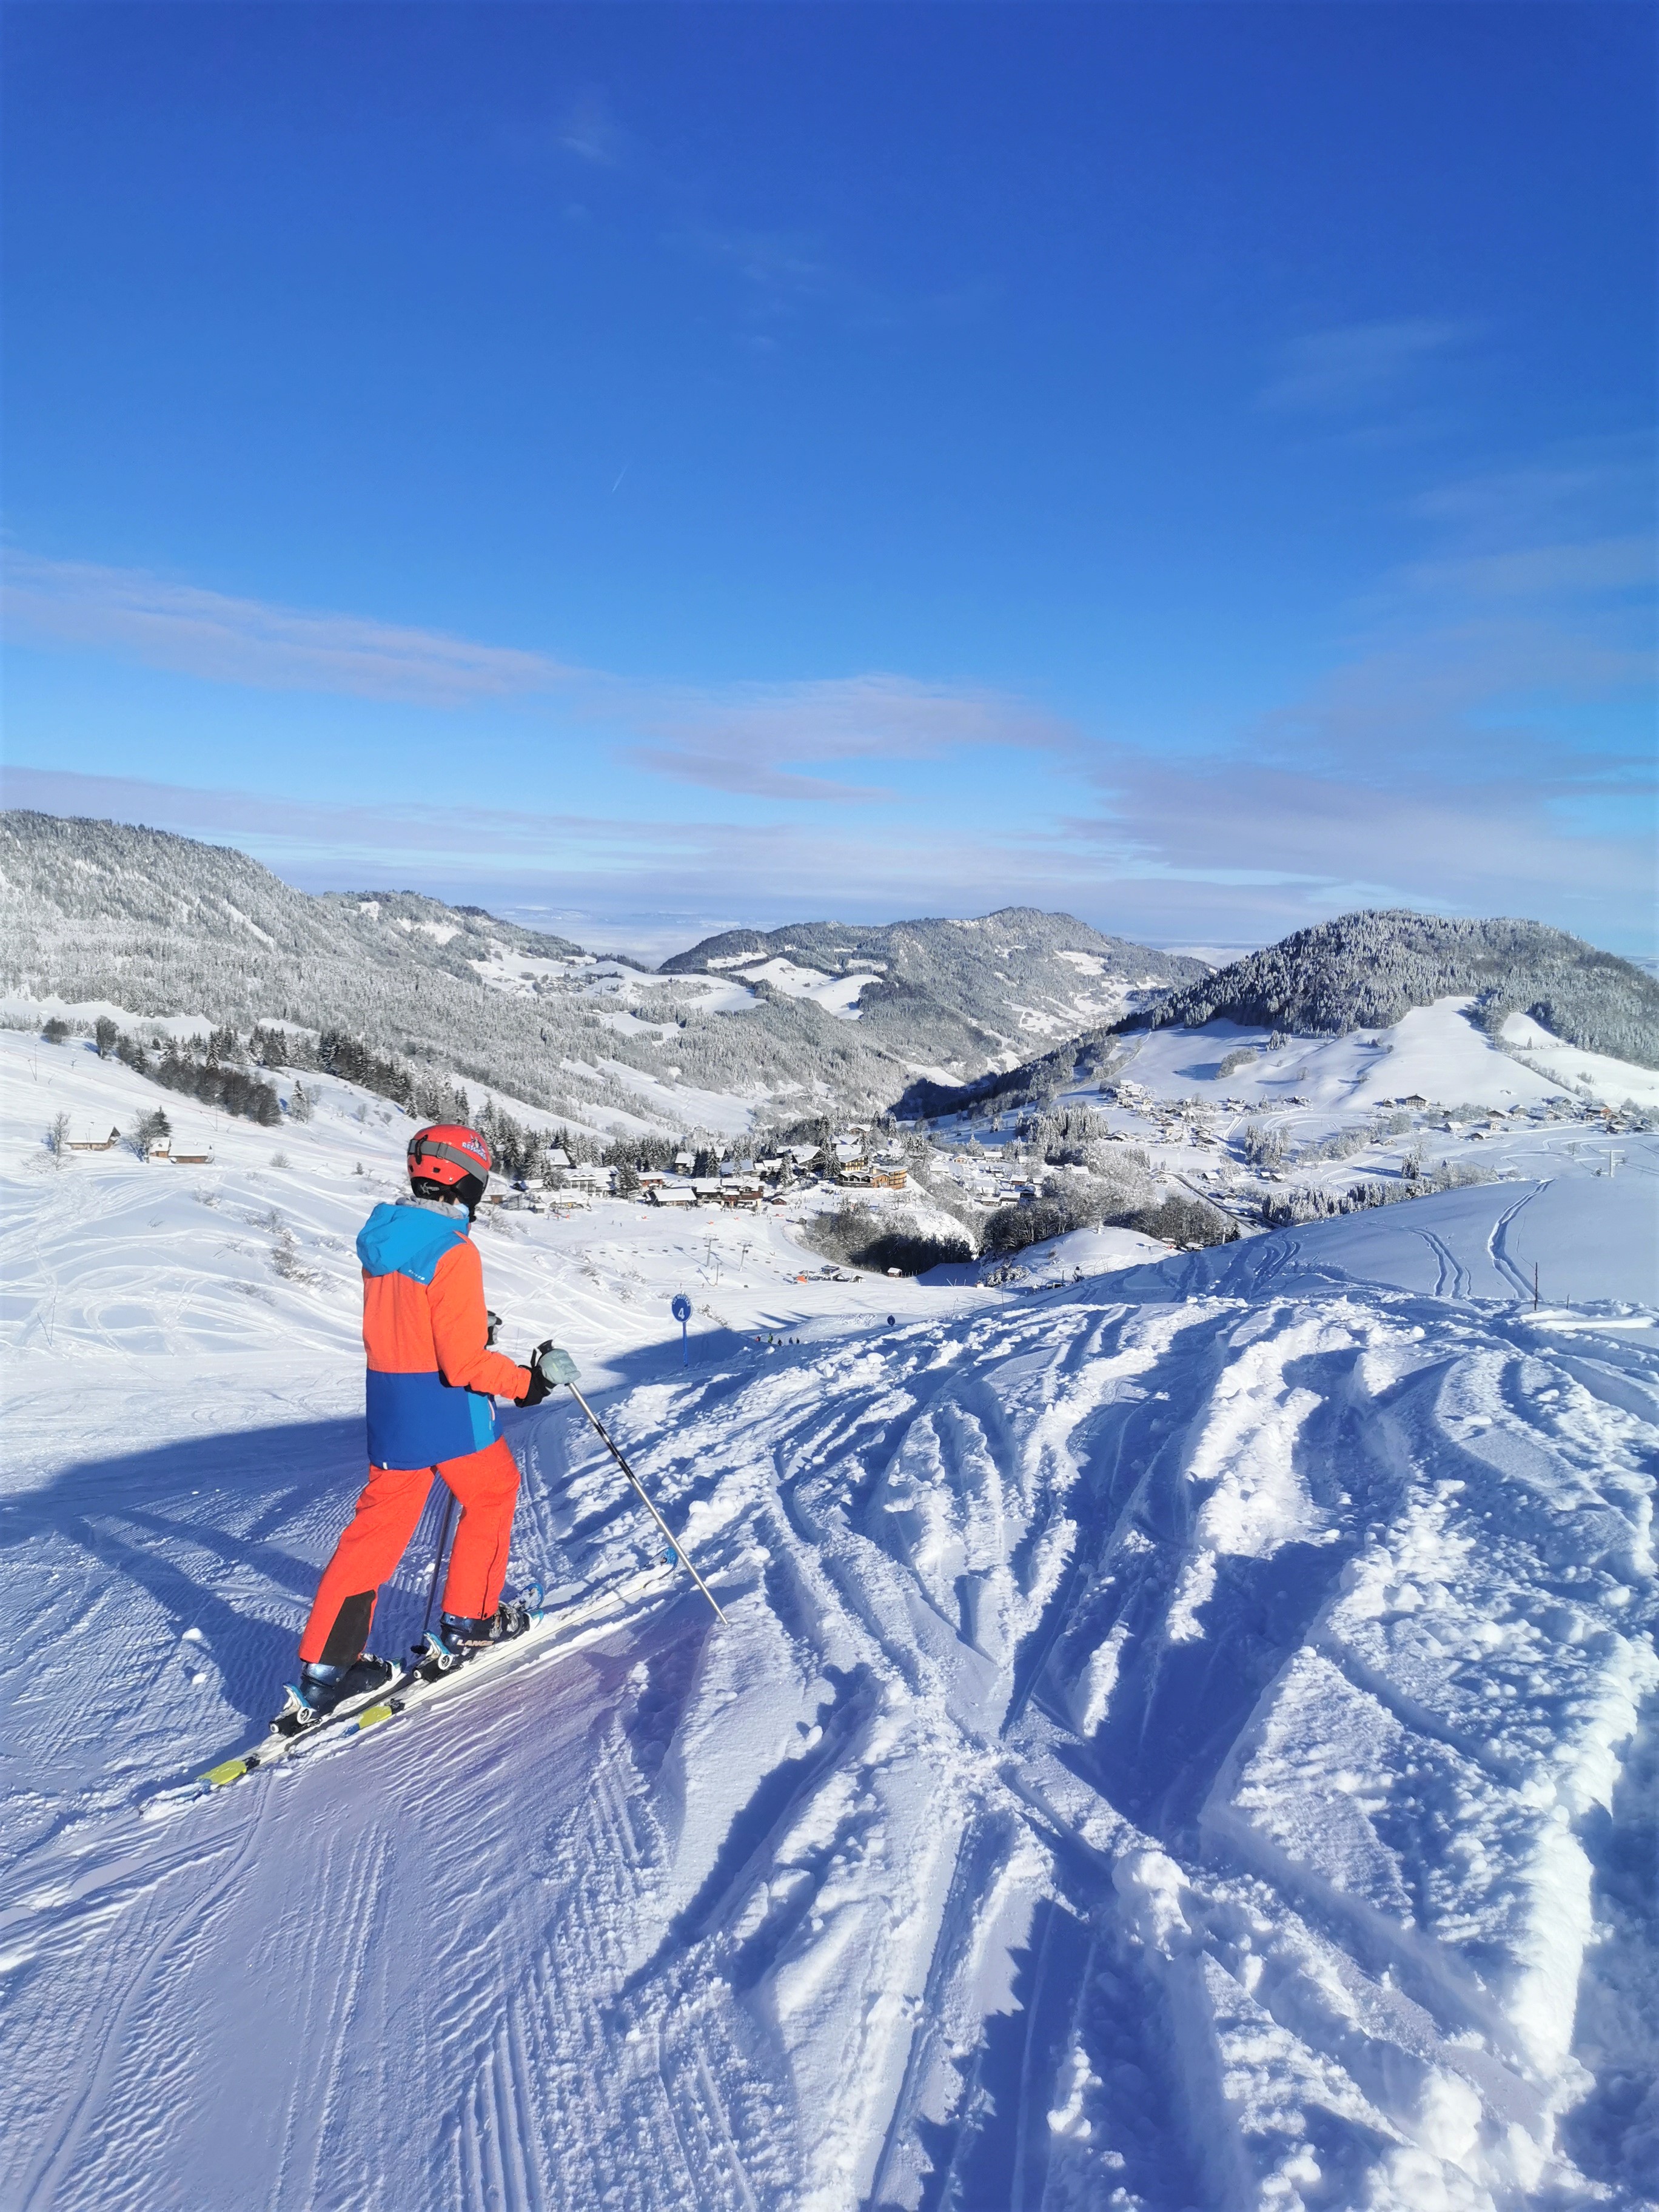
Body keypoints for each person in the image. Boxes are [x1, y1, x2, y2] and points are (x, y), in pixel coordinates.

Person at [287, 1122, 560, 1723]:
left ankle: (327, 1670)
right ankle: (471, 1622)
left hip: (390, 1404)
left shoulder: (385, 1239)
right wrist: (527, 1383)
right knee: (492, 1496)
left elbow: (412, 1325)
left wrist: (467, 1327)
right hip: (446, 1409)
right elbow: (463, 1364)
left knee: (375, 1532)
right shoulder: (453, 1250)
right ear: (471, 1181)